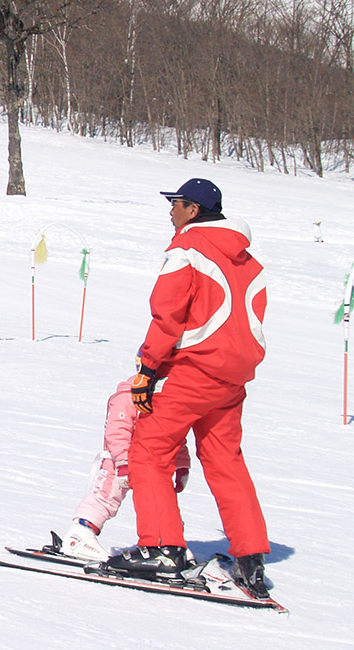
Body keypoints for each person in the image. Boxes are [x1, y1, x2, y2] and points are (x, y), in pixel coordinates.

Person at [101, 178, 272, 599]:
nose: (170, 211)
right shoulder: (247, 261)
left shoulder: (187, 249)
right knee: (224, 459)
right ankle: (251, 559)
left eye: (175, 204)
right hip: (232, 376)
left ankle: (161, 548)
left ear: (194, 209)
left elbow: (168, 314)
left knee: (149, 451)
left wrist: (148, 368)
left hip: (193, 369)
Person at [57, 368, 192, 561]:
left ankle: (169, 544)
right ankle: (80, 534)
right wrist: (122, 462)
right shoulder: (129, 395)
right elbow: (117, 431)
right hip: (120, 463)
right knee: (107, 495)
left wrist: (181, 465)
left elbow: (175, 436)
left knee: (160, 500)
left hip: (152, 464)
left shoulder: (165, 395)